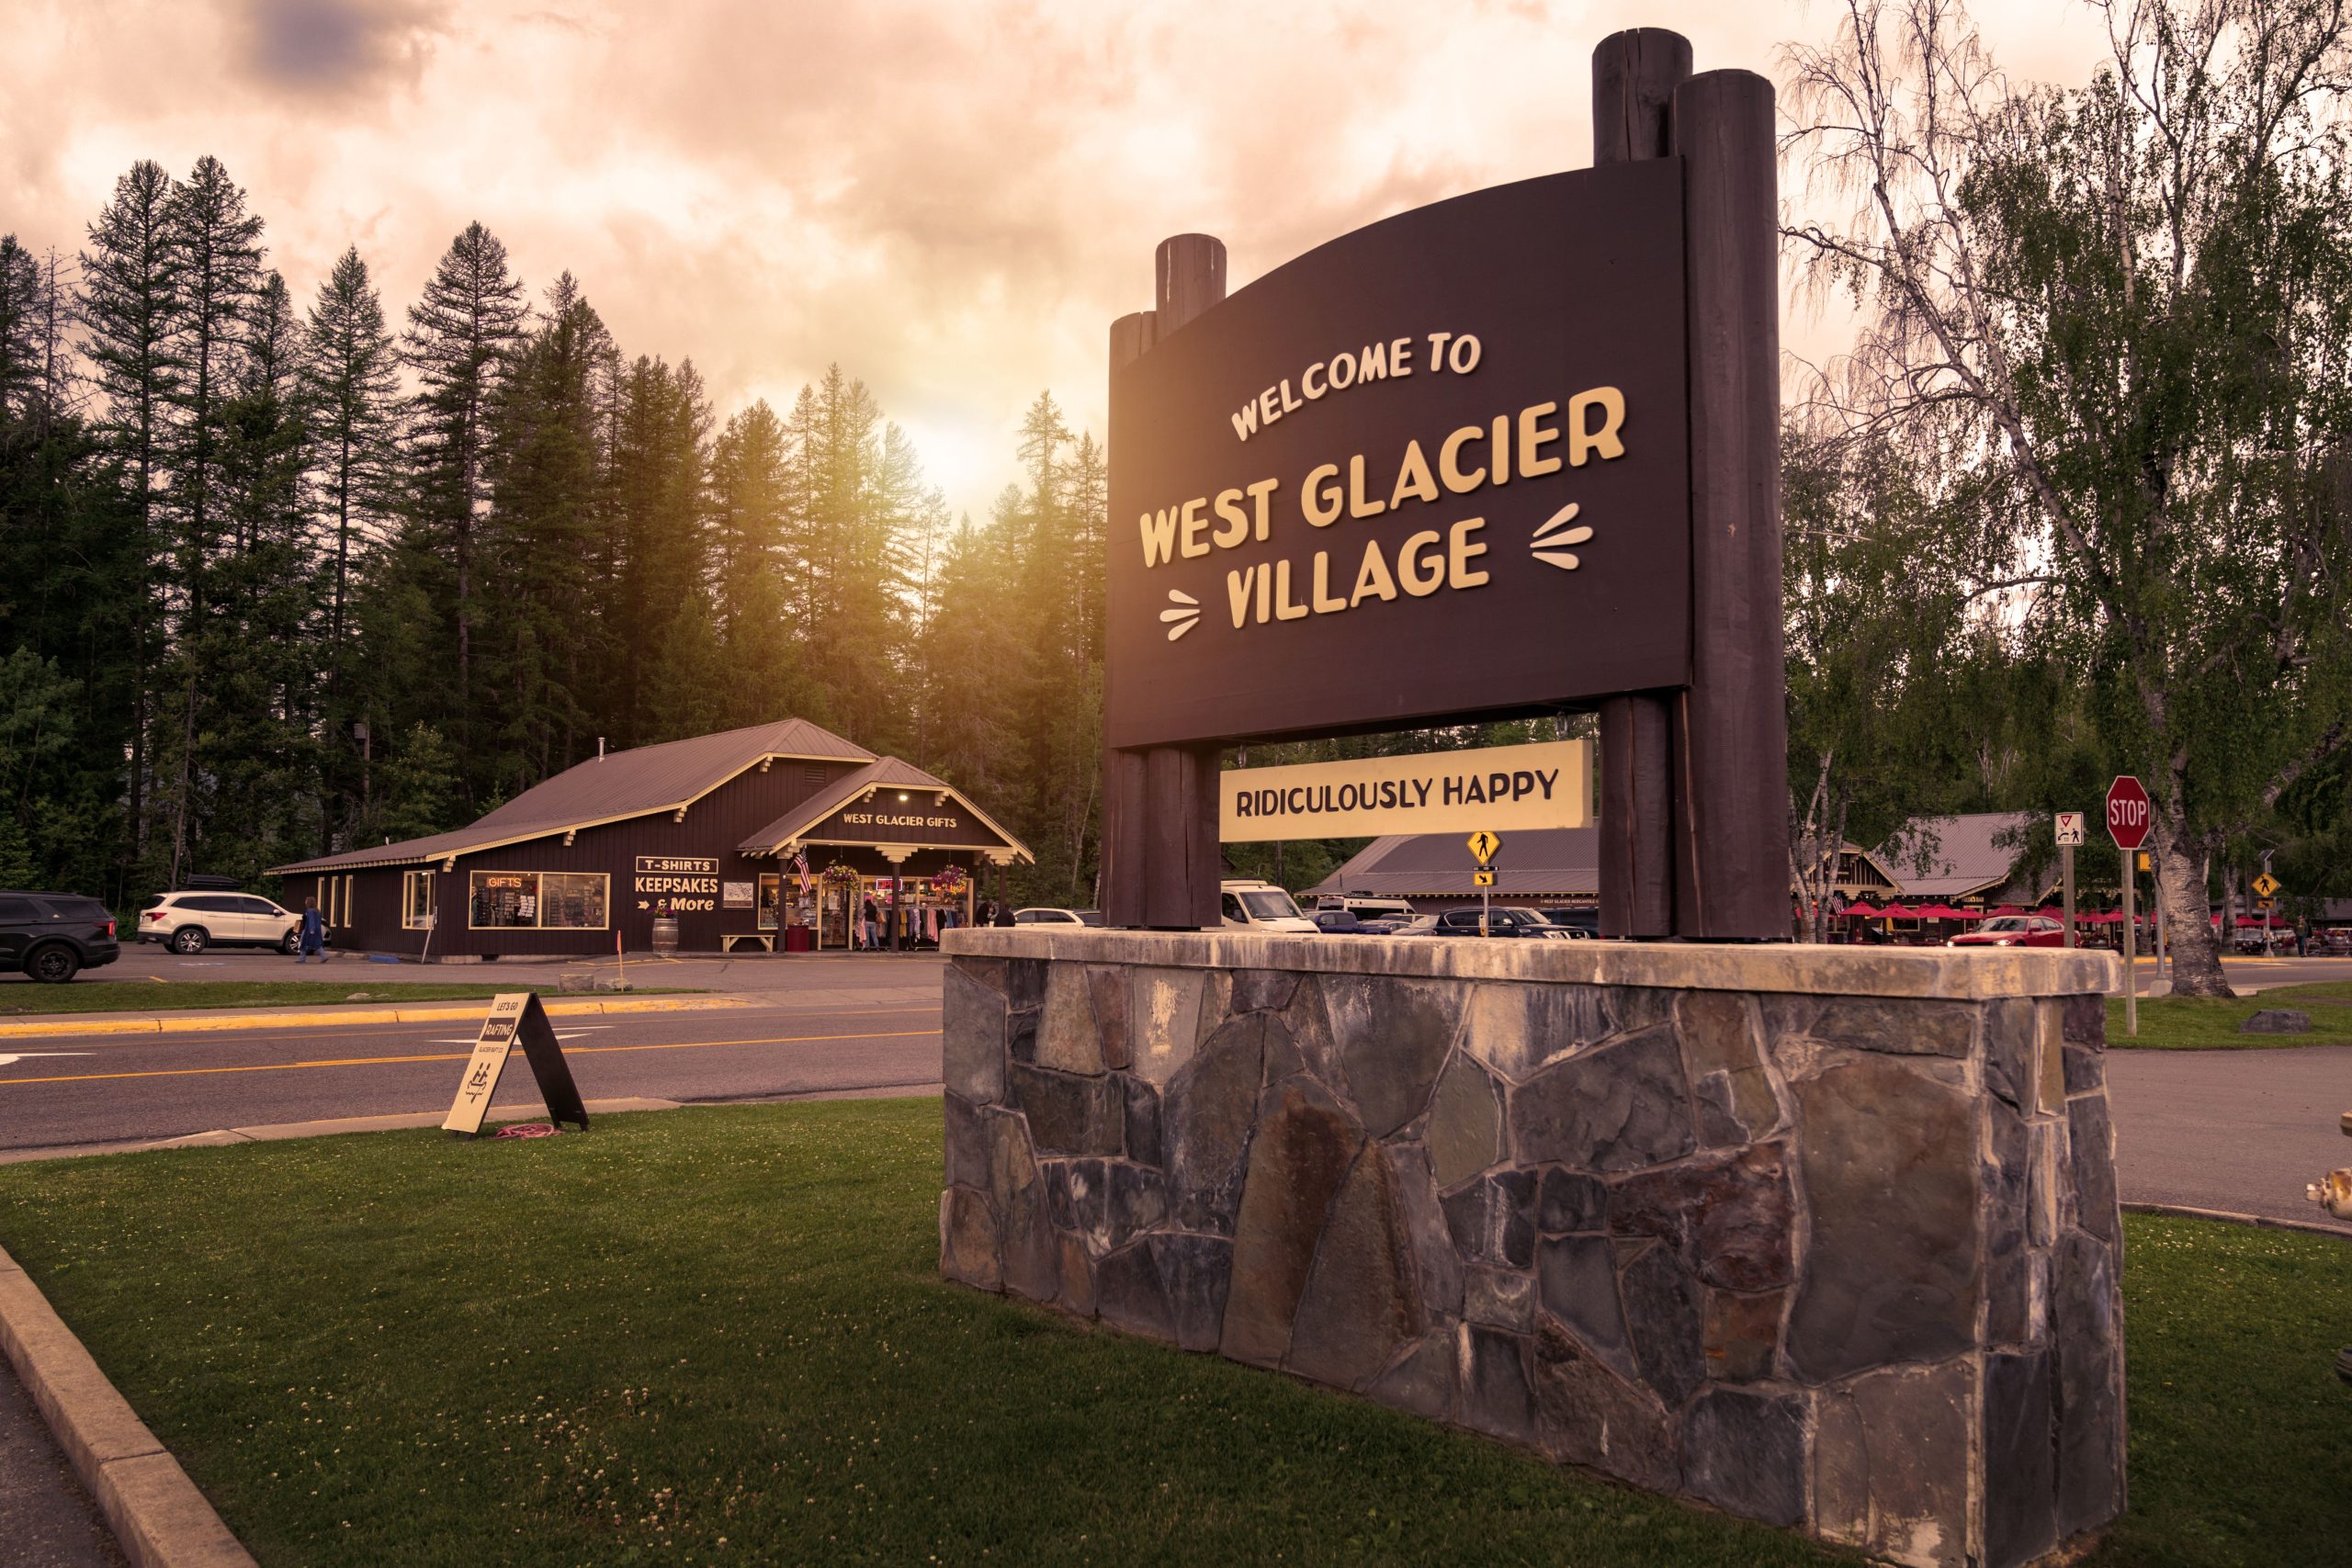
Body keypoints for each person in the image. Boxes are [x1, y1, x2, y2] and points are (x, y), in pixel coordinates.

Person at [296, 897, 326, 964]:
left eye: (306, 901)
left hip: (308, 930)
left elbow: (311, 920)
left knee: (304, 942)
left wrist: (311, 929)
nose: (305, 902)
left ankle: (302, 959)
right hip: (317, 930)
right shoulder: (317, 911)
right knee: (317, 943)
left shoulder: (309, 911)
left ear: (309, 902)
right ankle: (324, 956)